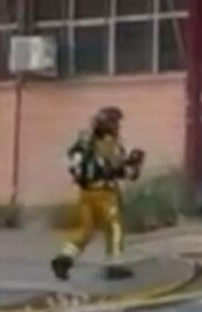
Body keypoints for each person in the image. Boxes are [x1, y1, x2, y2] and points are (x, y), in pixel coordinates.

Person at [50, 106, 145, 281]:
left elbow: (73, 165)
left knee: (85, 230)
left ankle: (65, 258)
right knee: (114, 228)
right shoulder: (109, 143)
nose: (118, 127)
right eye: (116, 123)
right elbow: (117, 168)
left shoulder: (83, 141)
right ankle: (114, 265)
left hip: (85, 193)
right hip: (105, 194)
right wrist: (134, 163)